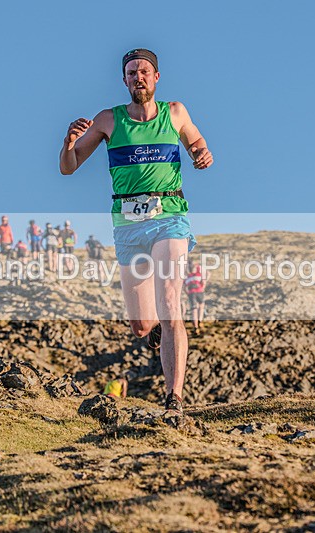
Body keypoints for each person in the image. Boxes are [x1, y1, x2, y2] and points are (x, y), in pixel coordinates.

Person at [59, 48, 213, 415]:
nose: (138, 77)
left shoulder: (175, 112)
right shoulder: (108, 120)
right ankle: (160, 330)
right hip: (128, 224)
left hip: (169, 216)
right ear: (124, 80)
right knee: (142, 325)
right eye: (131, 73)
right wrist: (67, 145)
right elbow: (69, 167)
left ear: (156, 77)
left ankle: (174, 397)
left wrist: (201, 154)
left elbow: (197, 142)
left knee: (171, 303)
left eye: (144, 71)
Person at [183, 258, 208, 332]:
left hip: (191, 291)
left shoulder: (186, 273)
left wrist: (187, 293)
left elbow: (184, 286)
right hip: (199, 289)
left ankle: (196, 326)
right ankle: (200, 320)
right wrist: (203, 286)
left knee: (194, 309)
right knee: (201, 305)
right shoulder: (198, 269)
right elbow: (204, 279)